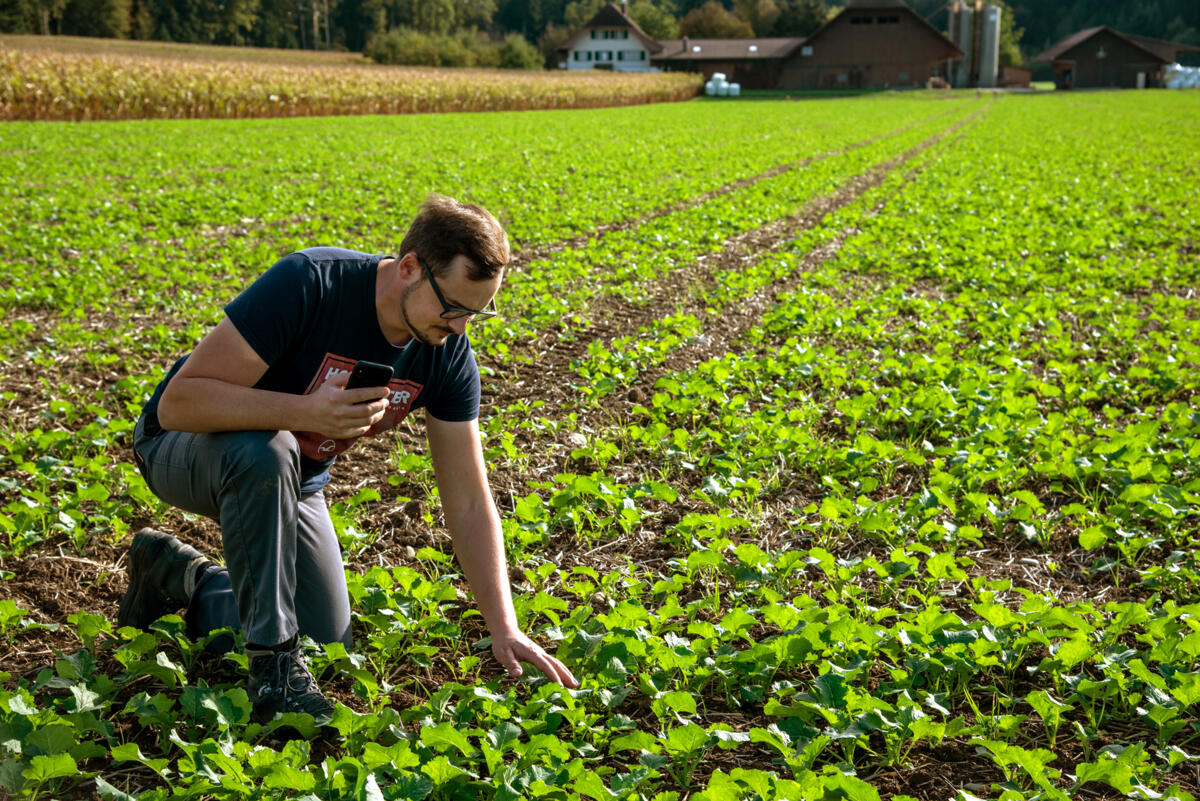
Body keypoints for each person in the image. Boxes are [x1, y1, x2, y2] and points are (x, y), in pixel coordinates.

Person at [119, 194, 578, 730]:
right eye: (452, 307)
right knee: (267, 450)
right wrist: (304, 412)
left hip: (293, 481)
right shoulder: (311, 283)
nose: (460, 328)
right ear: (409, 268)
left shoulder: (446, 352)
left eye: (476, 313)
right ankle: (274, 673)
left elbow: (471, 501)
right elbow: (180, 403)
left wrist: (505, 626)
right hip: (183, 446)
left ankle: (182, 575)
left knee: (324, 639)